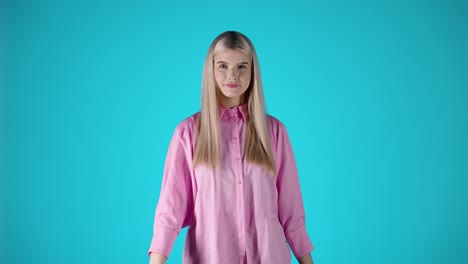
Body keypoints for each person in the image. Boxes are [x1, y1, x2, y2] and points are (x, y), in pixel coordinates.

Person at [148, 31, 314, 264]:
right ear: (211, 69)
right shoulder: (188, 133)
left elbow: (292, 212)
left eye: (242, 66)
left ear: (253, 71)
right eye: (223, 66)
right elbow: (170, 211)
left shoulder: (275, 133)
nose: (232, 76)